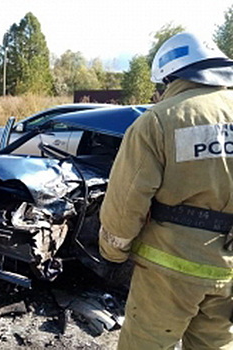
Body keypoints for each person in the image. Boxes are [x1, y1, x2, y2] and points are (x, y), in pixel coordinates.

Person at [99, 32, 233, 349]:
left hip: (169, 270)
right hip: (228, 271)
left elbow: (125, 204)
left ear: (170, 76)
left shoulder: (159, 121)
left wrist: (112, 252)